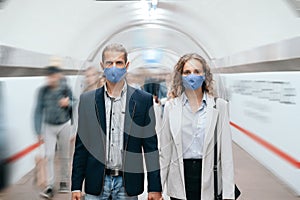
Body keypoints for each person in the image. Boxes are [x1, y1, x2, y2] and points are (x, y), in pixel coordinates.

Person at [71, 43, 163, 200]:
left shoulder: (142, 101)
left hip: (127, 184)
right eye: (109, 63)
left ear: (127, 66)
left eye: (119, 63)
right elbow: (81, 147)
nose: (114, 67)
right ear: (103, 66)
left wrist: (155, 187)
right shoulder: (87, 101)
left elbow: (150, 148)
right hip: (96, 182)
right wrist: (76, 186)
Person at [159, 53, 235, 200]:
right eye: (187, 72)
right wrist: (157, 189)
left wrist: (228, 195)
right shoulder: (171, 107)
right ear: (180, 76)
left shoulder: (219, 106)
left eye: (197, 72)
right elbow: (165, 152)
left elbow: (226, 156)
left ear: (204, 75)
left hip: (209, 179)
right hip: (179, 181)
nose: (192, 76)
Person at [34, 66, 74, 199]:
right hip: (48, 126)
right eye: (48, 77)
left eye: (53, 76)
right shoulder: (42, 91)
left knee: (64, 154)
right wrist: (38, 130)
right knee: (49, 155)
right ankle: (50, 185)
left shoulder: (65, 88)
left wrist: (68, 103)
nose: (50, 79)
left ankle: (64, 181)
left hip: (64, 125)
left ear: (58, 76)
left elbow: (75, 101)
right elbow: (38, 110)